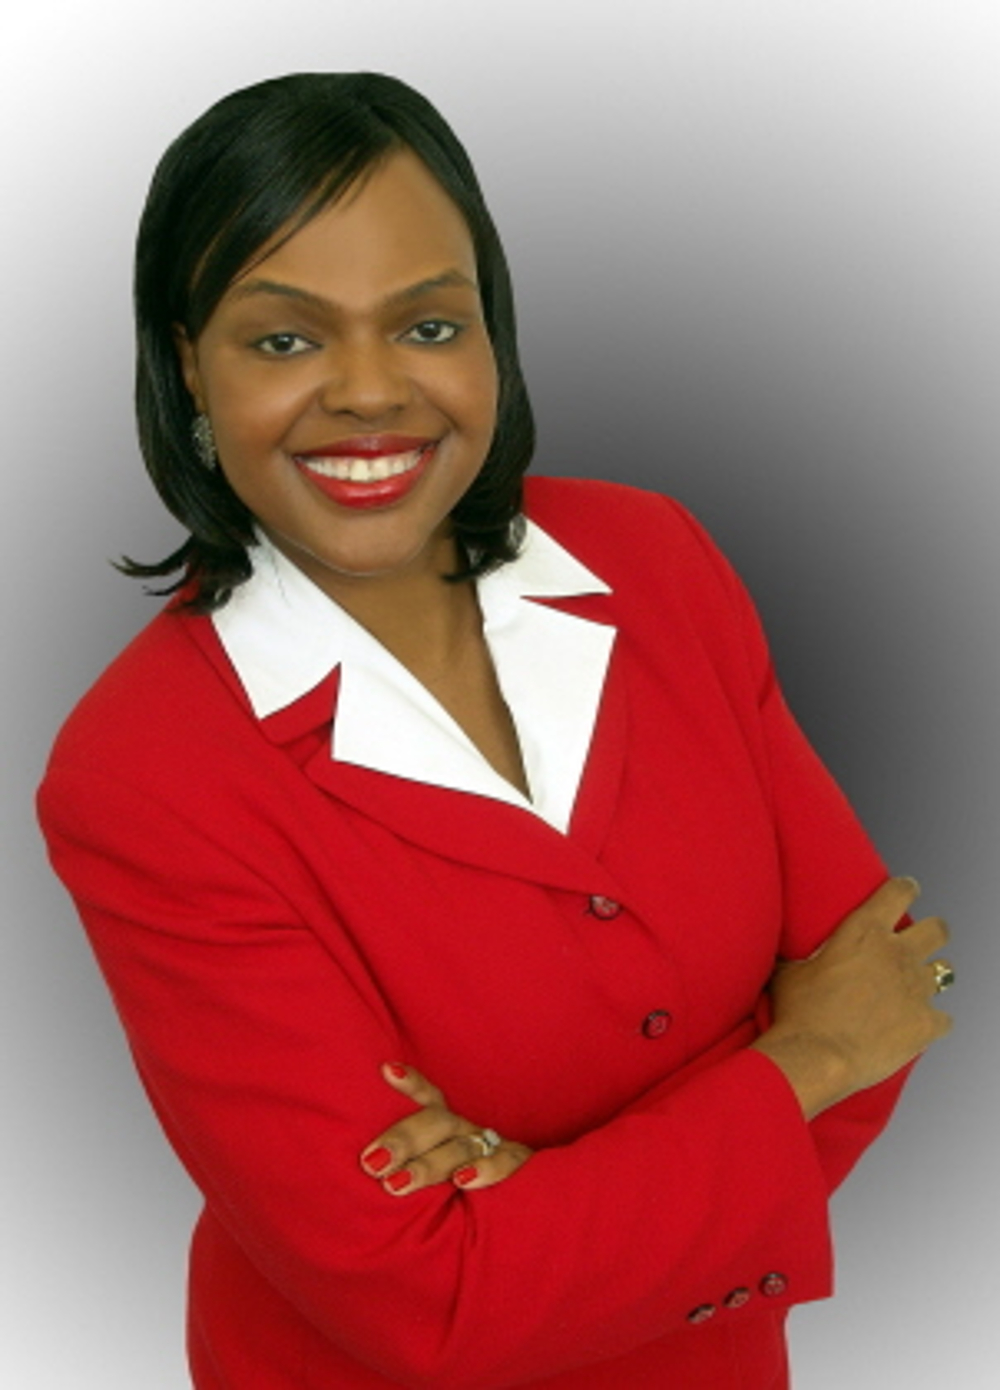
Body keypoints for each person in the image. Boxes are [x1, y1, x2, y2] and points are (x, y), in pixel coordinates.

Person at [37, 72, 954, 1390]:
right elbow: (435, 1300)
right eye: (284, 340)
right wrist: (799, 1055)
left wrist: (552, 1212)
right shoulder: (143, 774)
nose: (368, 391)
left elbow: (888, 988)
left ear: (492, 332)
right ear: (188, 364)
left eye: (427, 324)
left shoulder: (656, 560)